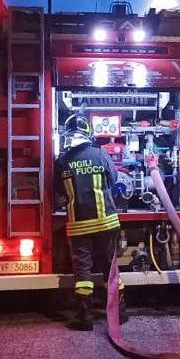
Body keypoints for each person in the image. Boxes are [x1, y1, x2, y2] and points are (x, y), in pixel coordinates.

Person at [54, 115, 126, 330]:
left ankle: (84, 317)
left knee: (83, 272)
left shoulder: (62, 161)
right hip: (106, 222)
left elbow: (57, 189)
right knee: (110, 269)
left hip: (79, 225)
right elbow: (113, 180)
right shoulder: (101, 154)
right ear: (88, 133)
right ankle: (119, 313)